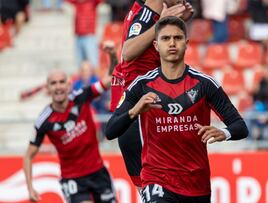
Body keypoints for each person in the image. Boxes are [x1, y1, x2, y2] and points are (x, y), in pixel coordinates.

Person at [106, 16, 248, 203]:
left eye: (177, 38)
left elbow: (240, 126)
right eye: (165, 39)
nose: (172, 43)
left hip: (196, 184)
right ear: (156, 45)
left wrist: (224, 133)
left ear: (186, 43)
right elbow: (110, 131)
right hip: (156, 179)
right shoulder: (141, 85)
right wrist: (134, 111)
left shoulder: (205, 84)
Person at [110, 0, 193, 189]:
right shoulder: (149, 11)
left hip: (146, 108)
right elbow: (128, 51)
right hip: (141, 112)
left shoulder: (145, 11)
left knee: (158, 191)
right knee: (158, 190)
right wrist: (161, 24)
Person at [23, 50, 116, 202]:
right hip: (73, 180)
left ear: (68, 84)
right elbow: (28, 156)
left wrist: (112, 55)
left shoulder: (82, 95)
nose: (58, 87)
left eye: (61, 82)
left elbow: (110, 79)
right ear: (47, 88)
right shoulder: (44, 120)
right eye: (53, 83)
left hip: (98, 172)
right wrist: (30, 187)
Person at [66, 0, 102, 68]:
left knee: (93, 63)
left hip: (90, 36)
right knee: (79, 64)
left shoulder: (92, 2)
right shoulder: (77, 3)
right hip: (79, 36)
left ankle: (96, 78)